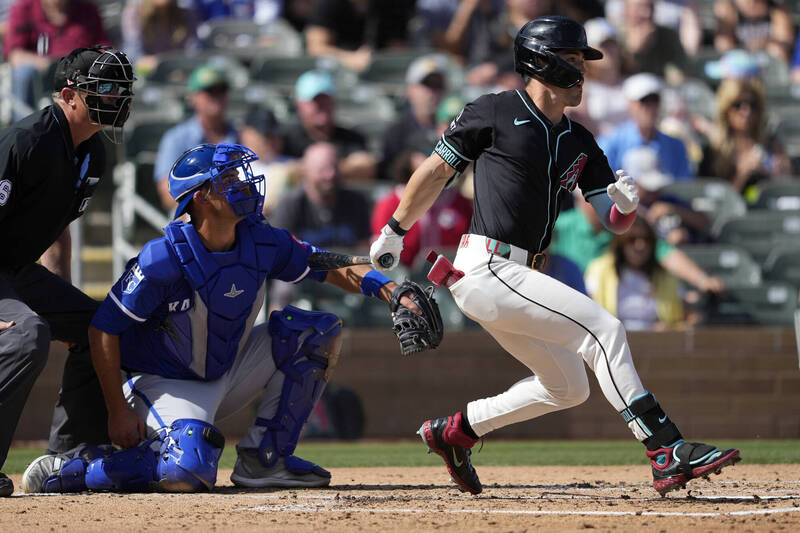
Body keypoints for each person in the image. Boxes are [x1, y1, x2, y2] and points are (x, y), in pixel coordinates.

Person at [368, 15, 739, 496]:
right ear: (539, 62)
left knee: (568, 387)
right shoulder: (496, 110)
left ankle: (456, 431)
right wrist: (395, 230)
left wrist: (626, 207)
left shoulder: (580, 139)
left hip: (518, 276)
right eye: (571, 59)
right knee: (605, 331)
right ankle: (664, 447)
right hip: (487, 267)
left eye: (582, 60)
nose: (581, 70)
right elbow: (437, 171)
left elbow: (612, 218)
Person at [20, 142, 418, 494]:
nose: (245, 184)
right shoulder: (163, 259)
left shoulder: (260, 238)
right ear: (202, 197)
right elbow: (103, 329)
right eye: (229, 179)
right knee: (186, 471)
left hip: (227, 369)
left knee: (316, 331)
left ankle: (265, 461)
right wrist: (117, 411)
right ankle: (74, 470)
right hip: (162, 384)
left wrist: (391, 291)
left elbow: (326, 265)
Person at [0, 46, 135, 497]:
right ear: (68, 95)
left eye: (120, 89)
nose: (115, 98)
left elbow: (58, 230)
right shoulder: (27, 141)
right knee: (26, 334)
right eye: (104, 89)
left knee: (102, 327)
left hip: (18, 271)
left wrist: (62, 297)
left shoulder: (92, 153)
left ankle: (68, 457)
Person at [4, 0, 111, 121]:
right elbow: (15, 55)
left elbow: (104, 51)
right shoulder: (23, 9)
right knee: (23, 72)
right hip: (40, 73)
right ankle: (24, 131)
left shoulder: (88, 10)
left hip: (79, 75)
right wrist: (50, 65)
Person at [154, 63, 238, 212]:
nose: (217, 96)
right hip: (196, 218)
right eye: (210, 91)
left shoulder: (240, 134)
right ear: (193, 98)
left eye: (222, 90)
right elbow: (168, 196)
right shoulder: (175, 138)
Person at [585, 216, 684, 331]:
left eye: (646, 239)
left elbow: (684, 318)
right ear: (620, 242)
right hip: (611, 343)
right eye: (632, 239)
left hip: (657, 344)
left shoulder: (667, 277)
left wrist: (669, 328)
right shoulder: (598, 271)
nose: (640, 246)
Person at [698, 77, 790, 197]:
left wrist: (780, 174)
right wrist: (742, 175)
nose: (746, 111)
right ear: (726, 110)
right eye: (737, 105)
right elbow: (714, 203)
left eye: (752, 105)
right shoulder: (712, 152)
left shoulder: (772, 145)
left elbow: (786, 191)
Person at [283, 69, 376, 182]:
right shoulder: (287, 138)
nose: (321, 106)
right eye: (315, 101)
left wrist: (315, 168)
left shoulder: (351, 138)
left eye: (326, 100)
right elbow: (279, 170)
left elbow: (365, 166)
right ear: (299, 105)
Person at [598, 73, 694, 180]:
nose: (651, 108)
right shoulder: (609, 143)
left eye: (655, 101)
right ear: (630, 104)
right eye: (644, 102)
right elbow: (597, 188)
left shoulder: (676, 146)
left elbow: (684, 188)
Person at [378, 54, 448, 181]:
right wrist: (407, 163)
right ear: (410, 90)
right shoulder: (396, 133)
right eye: (426, 84)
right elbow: (385, 173)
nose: (432, 92)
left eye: (438, 85)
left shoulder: (455, 129)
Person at [304, 0, 415, 72]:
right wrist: (350, 59)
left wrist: (377, 61)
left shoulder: (392, 5)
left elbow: (398, 50)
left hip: (378, 76)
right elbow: (315, 48)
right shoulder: (329, 4)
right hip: (334, 73)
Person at [237, 105, 298, 216]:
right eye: (264, 134)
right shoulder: (235, 170)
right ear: (245, 134)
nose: (270, 139)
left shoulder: (291, 165)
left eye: (272, 133)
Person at [120, 0, 198, 76]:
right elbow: (133, 56)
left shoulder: (186, 14)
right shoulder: (134, 14)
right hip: (150, 78)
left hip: (182, 74)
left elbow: (194, 50)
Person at [616, 0, 689, 81]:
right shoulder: (615, 36)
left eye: (651, 7)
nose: (647, 13)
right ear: (627, 10)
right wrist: (633, 51)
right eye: (640, 8)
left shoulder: (668, 36)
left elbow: (678, 72)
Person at [713, 0, 794, 65]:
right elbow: (722, 45)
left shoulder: (776, 8)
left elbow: (785, 41)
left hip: (768, 62)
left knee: (776, 50)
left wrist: (763, 43)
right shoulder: (728, 7)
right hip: (740, 63)